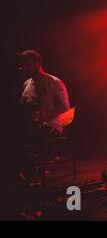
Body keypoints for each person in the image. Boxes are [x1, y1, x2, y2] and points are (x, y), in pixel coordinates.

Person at [17, 50, 70, 179]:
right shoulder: (26, 84)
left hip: (49, 126)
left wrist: (45, 116)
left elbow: (64, 106)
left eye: (26, 62)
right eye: (22, 62)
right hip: (31, 127)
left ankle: (34, 172)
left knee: (26, 138)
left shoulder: (54, 82)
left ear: (37, 63)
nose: (23, 65)